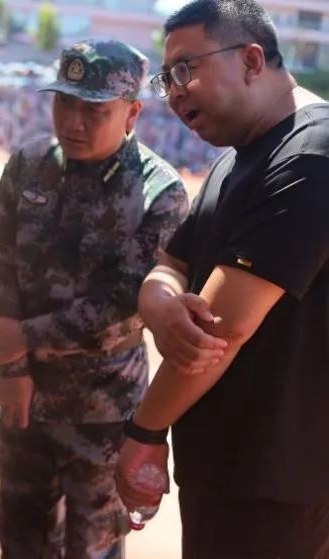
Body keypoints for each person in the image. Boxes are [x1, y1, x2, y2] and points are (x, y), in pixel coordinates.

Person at [114, 1, 329, 557]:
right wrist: (160, 305)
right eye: (166, 79)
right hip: (228, 469)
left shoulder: (311, 155)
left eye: (186, 69)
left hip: (279, 486)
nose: (174, 92)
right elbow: (171, 264)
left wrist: (144, 431)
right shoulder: (236, 160)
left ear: (252, 60)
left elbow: (221, 329)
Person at [0, 39, 188, 558]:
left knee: (93, 549)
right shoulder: (28, 166)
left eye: (94, 111)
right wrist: (13, 370)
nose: (73, 122)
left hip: (105, 413)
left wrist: (23, 337)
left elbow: (123, 301)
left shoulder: (159, 192)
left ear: (132, 113)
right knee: (21, 543)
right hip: (27, 398)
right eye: (64, 103)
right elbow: (1, 271)